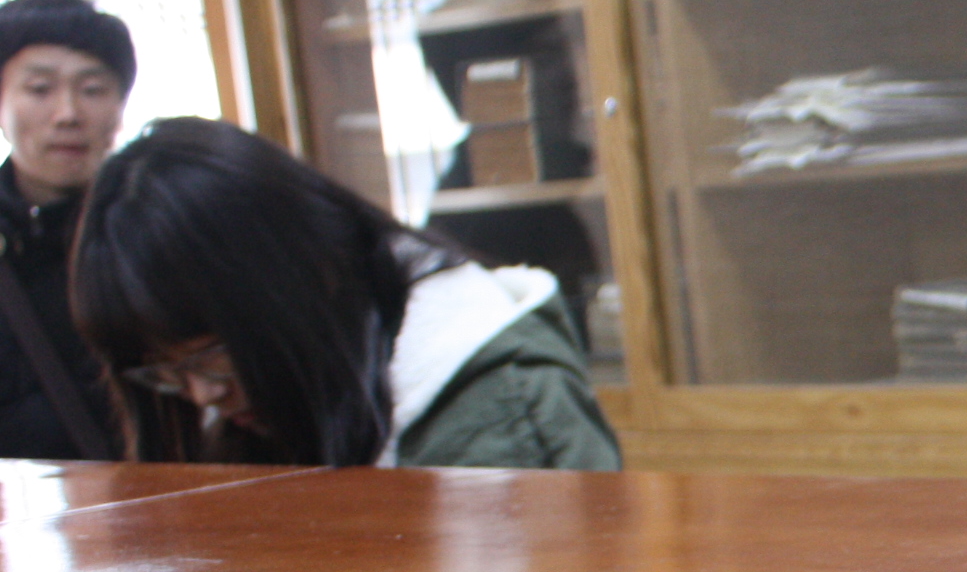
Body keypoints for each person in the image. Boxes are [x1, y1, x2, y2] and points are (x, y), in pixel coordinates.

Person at [69, 117, 619, 469]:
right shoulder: (274, 395)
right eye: (167, 373)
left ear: (297, 281)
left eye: (212, 358)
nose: (202, 394)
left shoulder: (492, 414)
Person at [0, 0, 132, 458]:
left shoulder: (158, 230)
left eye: (93, 90)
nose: (69, 114)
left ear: (120, 105)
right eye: (40, 89)